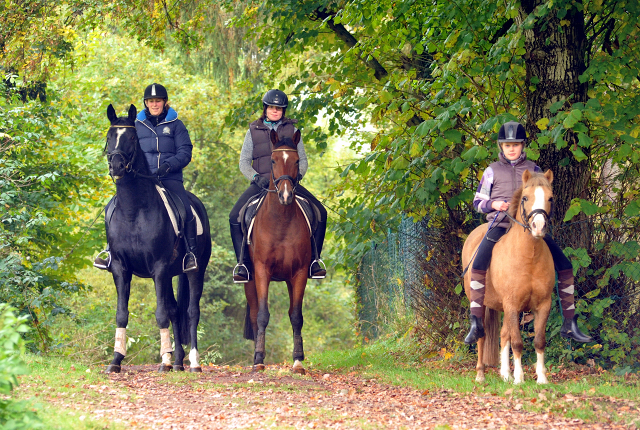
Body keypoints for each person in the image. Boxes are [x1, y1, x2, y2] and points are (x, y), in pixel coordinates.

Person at [466, 120, 594, 345]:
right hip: (500, 225)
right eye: (507, 145)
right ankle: (476, 321)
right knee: (478, 263)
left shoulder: (535, 170)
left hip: (530, 228)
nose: (512, 148)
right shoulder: (491, 171)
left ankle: (570, 322)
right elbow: (478, 201)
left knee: (564, 264)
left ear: (523, 145)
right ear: (501, 147)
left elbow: (544, 198)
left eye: (516, 144)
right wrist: (494, 205)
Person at [94, 83, 199, 272]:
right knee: (112, 208)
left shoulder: (176, 125)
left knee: (186, 210)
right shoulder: (136, 126)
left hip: (169, 178)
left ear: (164, 102)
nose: (154, 104)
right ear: (146, 103)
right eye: (151, 101)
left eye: (158, 101)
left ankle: (190, 253)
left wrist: (168, 166)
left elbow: (185, 152)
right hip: (141, 179)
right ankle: (110, 251)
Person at [229, 89, 327, 283]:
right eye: (272, 108)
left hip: (288, 183)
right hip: (262, 183)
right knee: (235, 216)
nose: (275, 111)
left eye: (279, 108)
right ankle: (243, 264)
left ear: (283, 110)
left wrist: (297, 177)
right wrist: (256, 177)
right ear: (265, 109)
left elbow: (303, 159)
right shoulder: (253, 130)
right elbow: (243, 162)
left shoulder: (292, 130)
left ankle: (314, 260)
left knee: (321, 212)